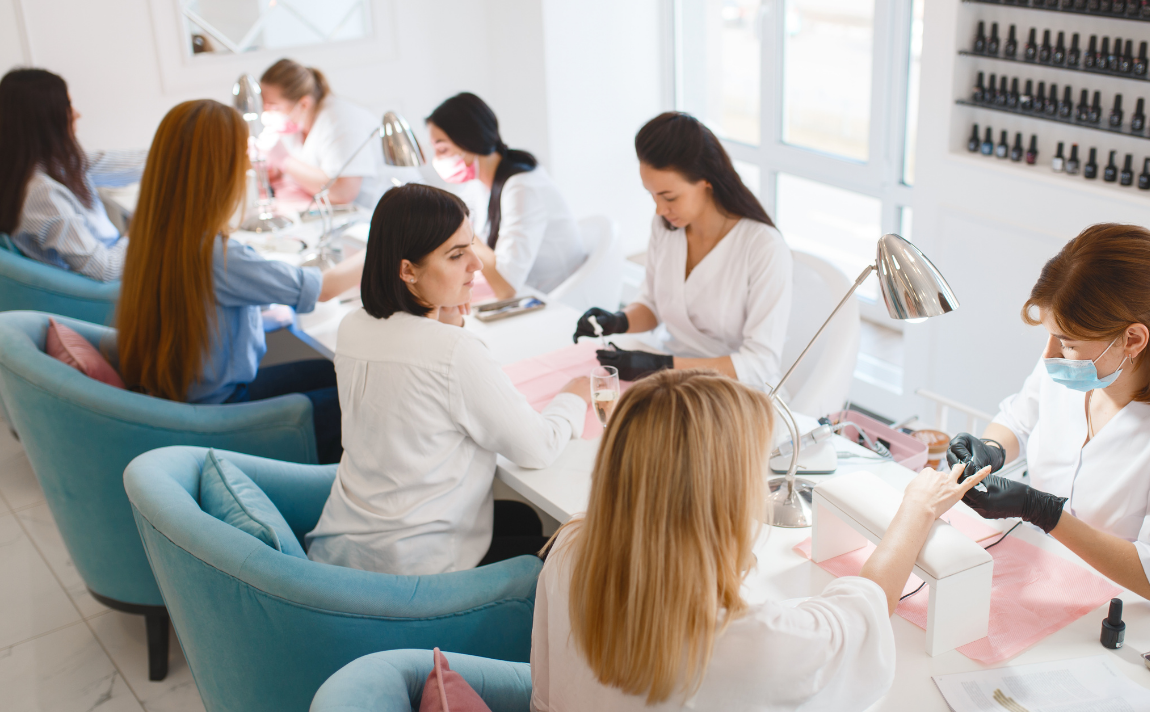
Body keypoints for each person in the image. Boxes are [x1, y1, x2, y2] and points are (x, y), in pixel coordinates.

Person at [531, 369, 990, 710]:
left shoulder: (570, 547)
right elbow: (861, 614)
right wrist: (917, 510)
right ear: (721, 496)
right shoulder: (748, 645)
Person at [305, 183, 589, 575]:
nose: (477, 264)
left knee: (518, 519)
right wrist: (573, 397)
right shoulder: (453, 353)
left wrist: (445, 318)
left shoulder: (352, 327)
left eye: (471, 245)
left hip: (348, 554)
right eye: (457, 255)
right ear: (407, 270)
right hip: (416, 575)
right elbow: (537, 447)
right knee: (570, 552)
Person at [947, 223, 1150, 607]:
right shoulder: (1077, 364)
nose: (1050, 354)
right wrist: (989, 448)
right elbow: (1019, 419)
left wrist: (1042, 512)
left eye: (1066, 342)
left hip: (1120, 608)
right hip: (1037, 571)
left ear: (1132, 339)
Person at [116, 100, 363, 464]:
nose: (249, 165)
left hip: (188, 402)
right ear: (218, 172)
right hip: (225, 416)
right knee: (362, 396)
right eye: (242, 157)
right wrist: (383, 245)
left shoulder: (153, 235)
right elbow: (322, 288)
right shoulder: (216, 254)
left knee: (337, 372)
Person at [571, 112, 791, 387]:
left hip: (735, 391)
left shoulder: (763, 248)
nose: (660, 209)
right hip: (671, 379)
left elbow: (760, 364)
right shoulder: (666, 226)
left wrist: (662, 367)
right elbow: (654, 304)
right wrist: (618, 321)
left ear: (707, 181)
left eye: (669, 197)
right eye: (651, 195)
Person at [0, 68, 144, 282]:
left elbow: (135, 163)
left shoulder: (35, 169)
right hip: (104, 294)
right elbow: (105, 270)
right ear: (46, 117)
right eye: (68, 106)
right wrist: (137, 231)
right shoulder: (42, 193)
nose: (77, 114)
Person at [426, 93, 586, 299]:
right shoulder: (480, 184)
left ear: (470, 141)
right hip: (523, 290)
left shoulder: (523, 188)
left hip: (550, 298)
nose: (437, 159)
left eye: (442, 148)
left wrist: (462, 229)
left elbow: (506, 287)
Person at [259, 59, 381, 207]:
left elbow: (343, 192)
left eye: (274, 107)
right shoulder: (297, 123)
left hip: (377, 212)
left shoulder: (340, 121)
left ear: (304, 104)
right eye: (264, 106)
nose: (266, 114)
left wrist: (284, 160)